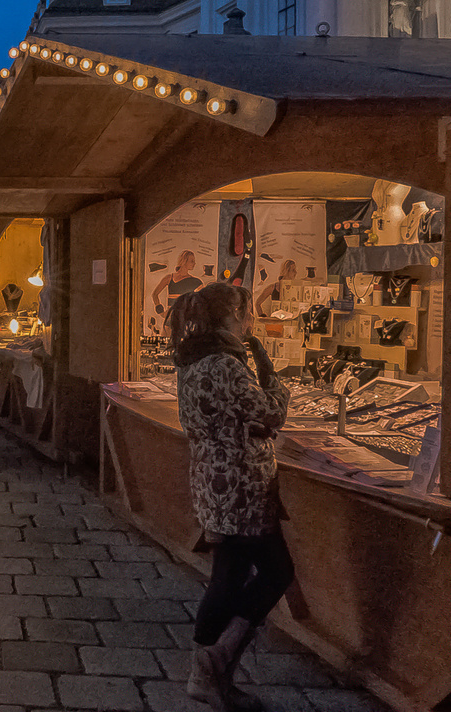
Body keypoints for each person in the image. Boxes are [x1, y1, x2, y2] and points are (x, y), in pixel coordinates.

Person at [170, 282, 293, 712]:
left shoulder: (192, 358)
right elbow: (272, 410)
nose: (251, 322)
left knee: (232, 570)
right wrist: (271, 373)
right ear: (235, 316)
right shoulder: (225, 363)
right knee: (273, 571)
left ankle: (211, 672)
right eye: (247, 314)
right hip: (240, 486)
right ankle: (212, 663)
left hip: (215, 482)